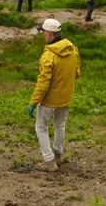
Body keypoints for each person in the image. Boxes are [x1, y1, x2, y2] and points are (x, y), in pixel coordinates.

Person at [28, 18, 81, 172]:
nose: (43, 35)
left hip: (50, 100)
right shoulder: (73, 50)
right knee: (60, 125)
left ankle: (49, 161)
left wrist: (33, 102)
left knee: (41, 128)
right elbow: (76, 74)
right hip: (66, 97)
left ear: (50, 34)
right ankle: (58, 154)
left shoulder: (48, 56)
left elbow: (43, 84)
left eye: (43, 32)